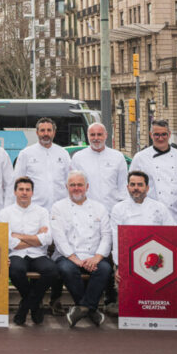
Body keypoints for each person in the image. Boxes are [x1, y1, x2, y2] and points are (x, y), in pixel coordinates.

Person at [129, 119, 177, 317]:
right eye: (156, 134)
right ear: (151, 135)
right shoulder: (141, 157)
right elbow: (133, 185)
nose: (160, 138)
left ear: (169, 135)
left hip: (176, 217)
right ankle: (147, 299)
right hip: (149, 218)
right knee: (148, 260)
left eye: (164, 134)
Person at [71, 122, 126, 311]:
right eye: (92, 134)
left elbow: (122, 187)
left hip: (112, 213)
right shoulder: (78, 157)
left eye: (99, 134)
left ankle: (111, 298)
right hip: (86, 213)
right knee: (89, 251)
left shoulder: (117, 157)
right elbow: (75, 185)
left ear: (106, 135)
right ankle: (89, 298)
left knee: (109, 256)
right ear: (87, 136)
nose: (96, 138)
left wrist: (118, 210)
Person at [50, 171, 113, 328]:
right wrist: (75, 260)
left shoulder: (99, 208)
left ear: (87, 187)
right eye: (72, 185)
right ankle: (90, 309)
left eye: (80, 185)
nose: (76, 188)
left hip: (93, 255)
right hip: (67, 256)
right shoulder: (58, 207)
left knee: (104, 269)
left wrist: (97, 258)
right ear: (67, 187)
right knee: (67, 269)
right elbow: (59, 238)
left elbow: (106, 236)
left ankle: (82, 308)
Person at [0, 176, 55, 326]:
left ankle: (25, 306)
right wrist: (36, 237)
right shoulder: (5, 213)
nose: (24, 192)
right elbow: (9, 241)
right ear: (15, 192)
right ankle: (35, 305)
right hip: (16, 255)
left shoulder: (42, 212)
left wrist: (19, 236)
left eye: (27, 190)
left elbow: (48, 238)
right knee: (15, 270)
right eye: (21, 189)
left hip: (39, 255)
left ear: (32, 192)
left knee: (51, 270)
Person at [110, 170, 174, 300]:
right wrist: (119, 266)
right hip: (129, 259)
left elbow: (173, 234)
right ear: (127, 187)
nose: (136, 188)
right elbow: (116, 240)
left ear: (147, 187)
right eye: (132, 185)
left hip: (157, 258)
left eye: (140, 185)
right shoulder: (118, 209)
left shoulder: (159, 207)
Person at [14, 118, 72, 211]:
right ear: (37, 133)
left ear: (54, 132)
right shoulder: (26, 153)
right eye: (42, 130)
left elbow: (69, 181)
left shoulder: (63, 153)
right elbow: (17, 181)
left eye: (49, 130)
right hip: (34, 208)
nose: (46, 134)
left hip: (60, 209)